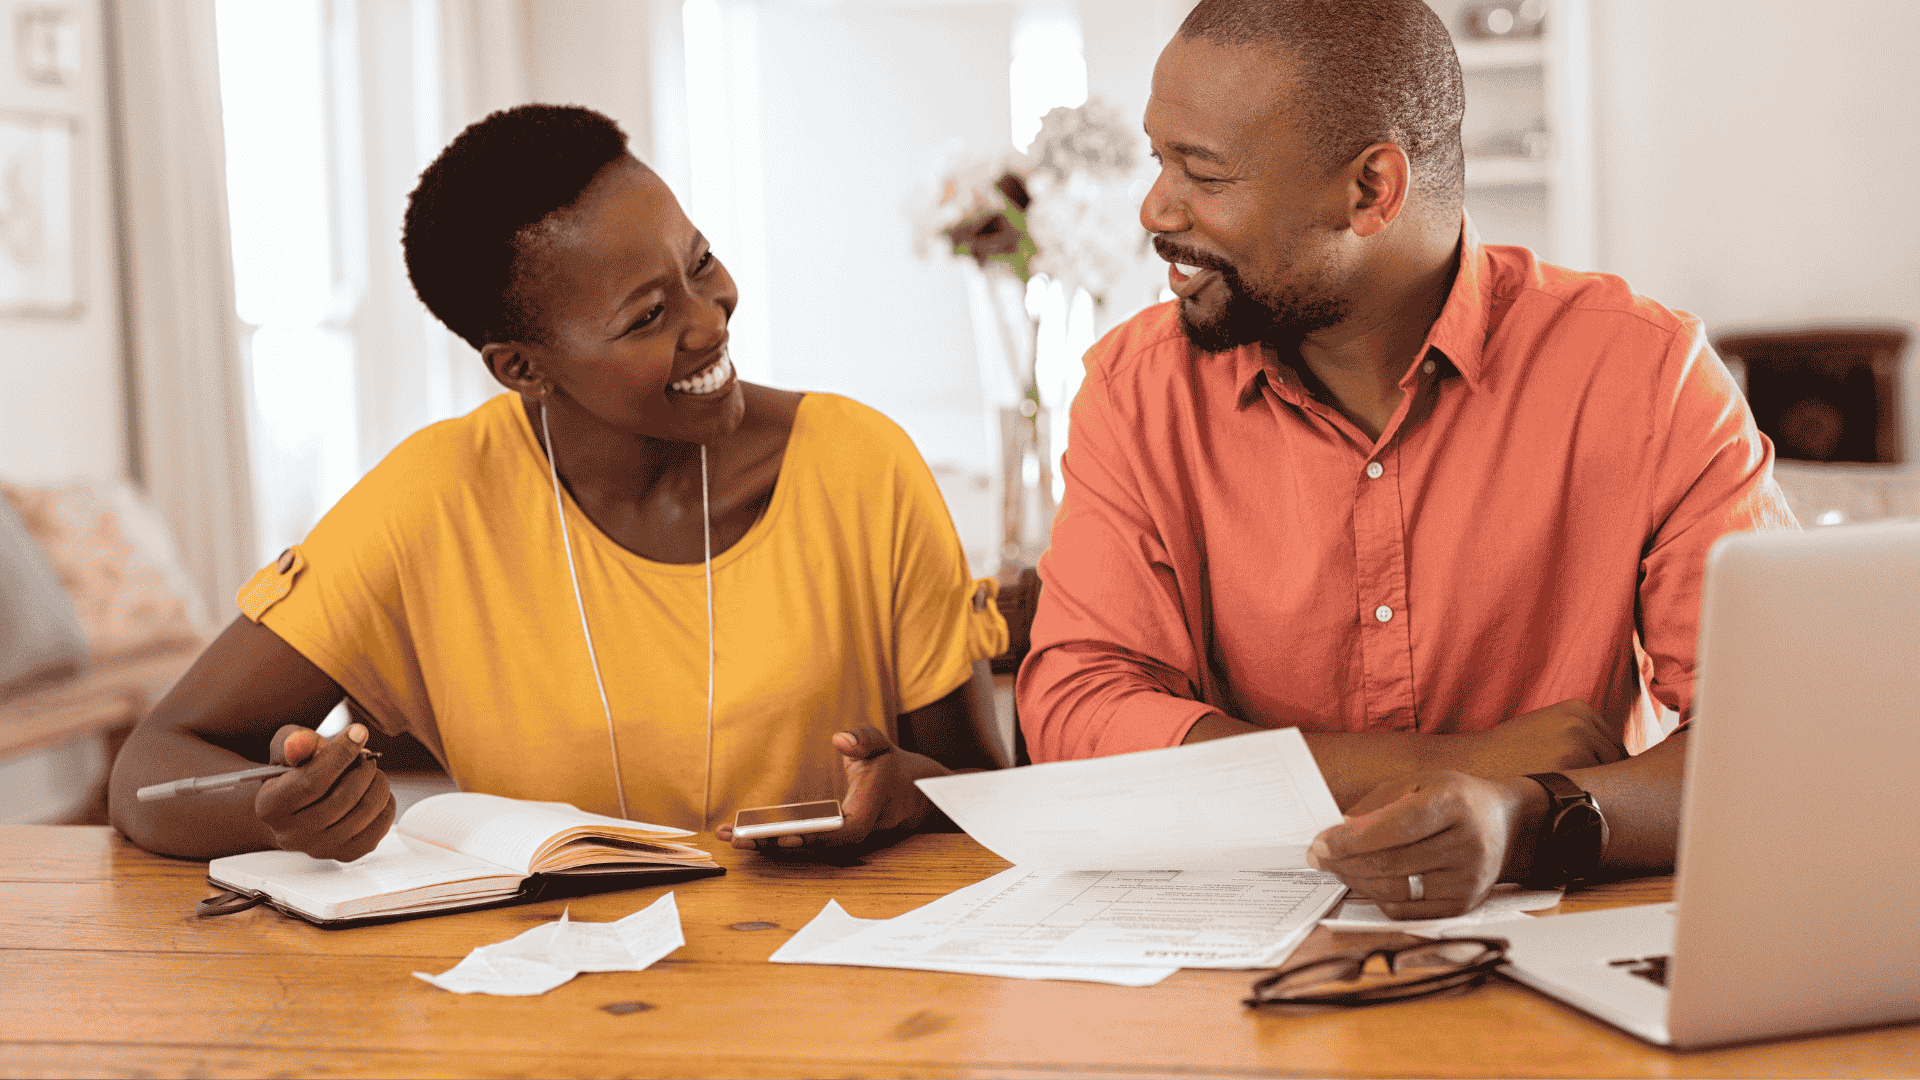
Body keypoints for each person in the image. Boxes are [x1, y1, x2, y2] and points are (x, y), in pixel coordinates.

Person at [1020, 0, 1795, 918]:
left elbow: (1773, 740)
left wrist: (1523, 814)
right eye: (1160, 160)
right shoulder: (1135, 390)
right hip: (1227, 968)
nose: (1156, 208)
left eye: (1204, 173)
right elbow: (1075, 713)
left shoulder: (1646, 376)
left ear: (1372, 190)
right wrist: (1447, 765)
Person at [110, 105, 1007, 863]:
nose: (712, 317)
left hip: (838, 1001)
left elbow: (984, 794)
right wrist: (278, 812)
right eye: (649, 316)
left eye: (699, 262)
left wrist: (907, 796)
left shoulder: (859, 464)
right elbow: (152, 765)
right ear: (522, 368)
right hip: (545, 1003)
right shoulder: (433, 502)